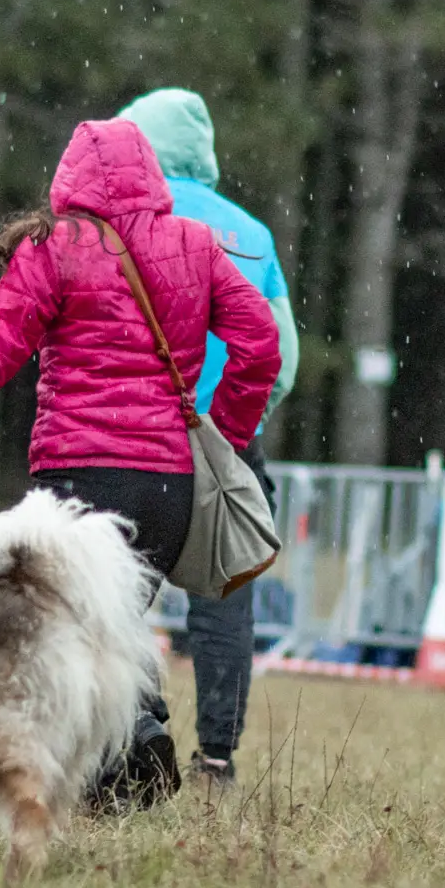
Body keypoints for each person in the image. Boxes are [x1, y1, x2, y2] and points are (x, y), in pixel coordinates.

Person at [0, 115, 277, 805]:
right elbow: (261, 344)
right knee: (109, 625)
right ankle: (121, 763)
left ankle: (130, 741)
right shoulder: (196, 243)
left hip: (80, 481)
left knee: (66, 635)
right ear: (151, 174)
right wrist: (230, 428)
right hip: (168, 488)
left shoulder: (55, 246)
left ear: (71, 178)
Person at [117, 88, 299, 789]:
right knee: (226, 598)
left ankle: (136, 728)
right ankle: (216, 758)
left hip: (135, 432)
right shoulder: (252, 234)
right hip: (226, 438)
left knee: (117, 593)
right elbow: (282, 353)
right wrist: (235, 420)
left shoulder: (122, 218)